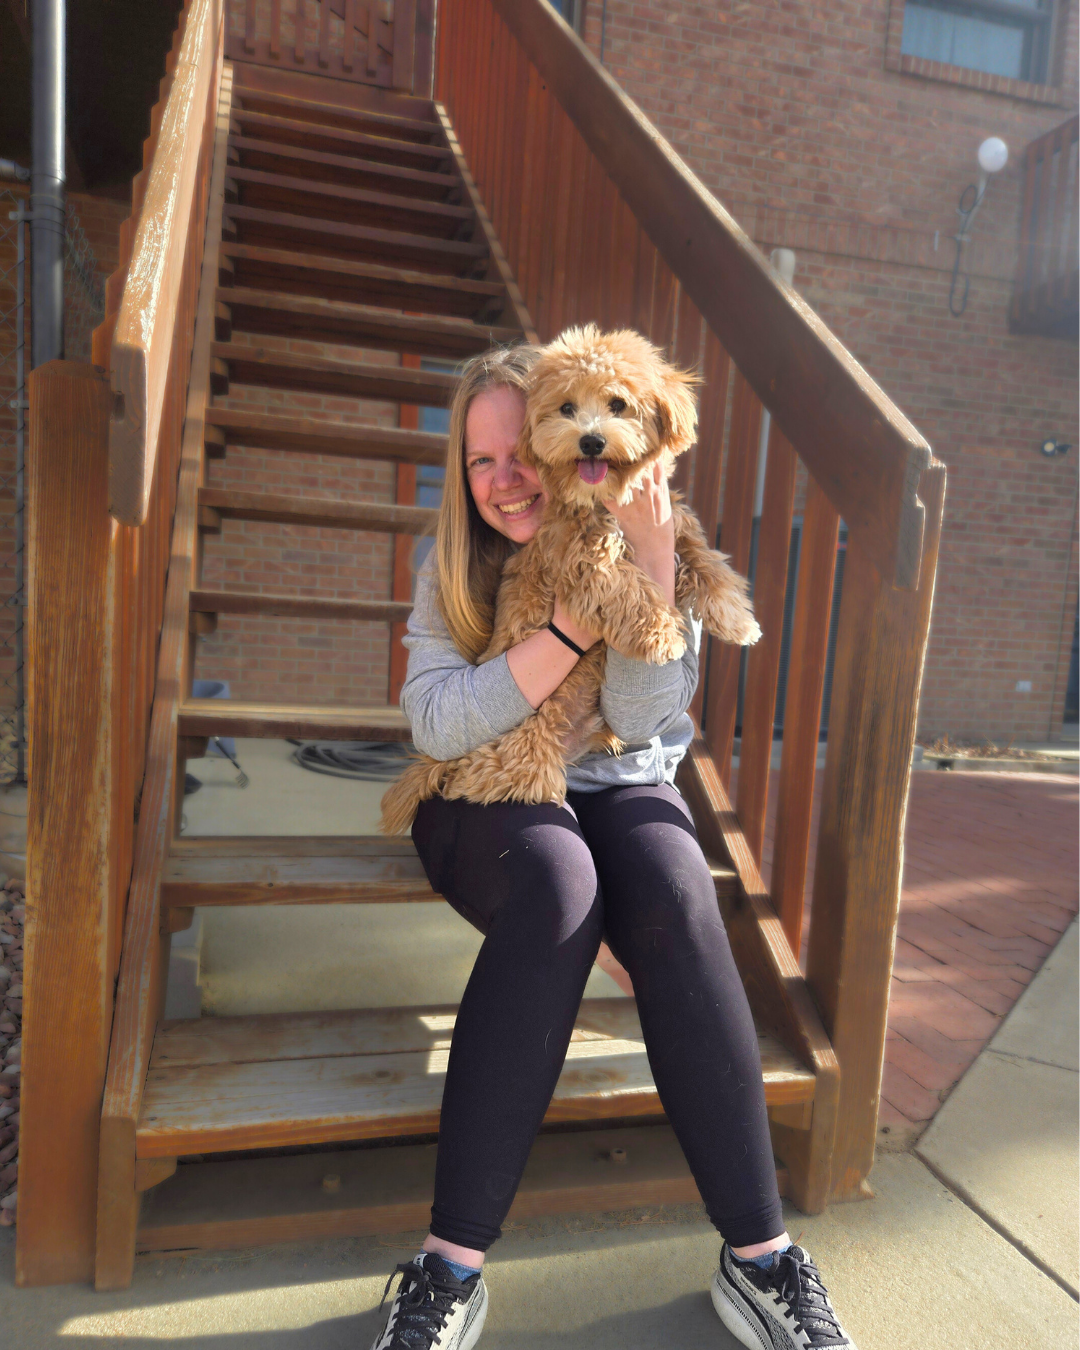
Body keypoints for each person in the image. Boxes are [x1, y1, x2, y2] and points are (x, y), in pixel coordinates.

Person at [369, 345, 857, 1350]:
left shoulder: (643, 532)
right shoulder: (453, 566)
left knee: (678, 892)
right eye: (480, 461)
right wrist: (565, 629)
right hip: (484, 787)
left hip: (621, 778)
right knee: (557, 884)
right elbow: (435, 722)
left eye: (521, 454)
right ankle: (446, 1270)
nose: (507, 477)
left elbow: (639, 725)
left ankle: (762, 1259)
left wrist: (654, 567)